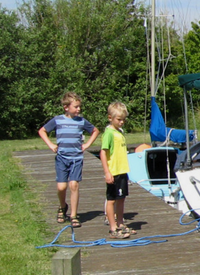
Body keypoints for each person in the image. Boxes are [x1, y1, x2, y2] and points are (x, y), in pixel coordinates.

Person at [38, 92, 99, 228]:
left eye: (79, 107)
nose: (78, 109)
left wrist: (87, 145)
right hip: (62, 158)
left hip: (76, 158)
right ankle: (62, 206)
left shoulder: (81, 121)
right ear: (66, 107)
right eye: (76, 107)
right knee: (61, 186)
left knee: (74, 185)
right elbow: (42, 131)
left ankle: (74, 215)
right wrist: (51, 145)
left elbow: (95, 131)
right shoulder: (57, 120)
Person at [100, 102, 132, 239]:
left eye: (123, 119)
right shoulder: (109, 134)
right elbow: (103, 152)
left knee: (121, 199)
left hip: (122, 171)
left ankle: (120, 223)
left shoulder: (119, 133)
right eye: (119, 119)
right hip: (113, 172)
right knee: (111, 199)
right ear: (110, 118)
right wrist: (107, 172)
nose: (122, 122)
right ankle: (113, 228)